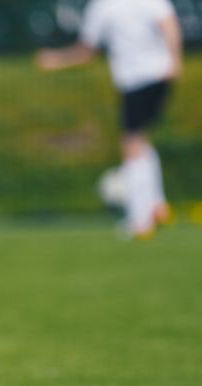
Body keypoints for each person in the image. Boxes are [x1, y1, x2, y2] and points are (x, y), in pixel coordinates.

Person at [36, 0, 182, 239]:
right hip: (160, 74)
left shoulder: (102, 6)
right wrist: (175, 60)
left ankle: (140, 220)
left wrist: (55, 60)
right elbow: (168, 24)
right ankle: (157, 207)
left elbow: (86, 51)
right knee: (139, 139)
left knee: (131, 143)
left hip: (136, 79)